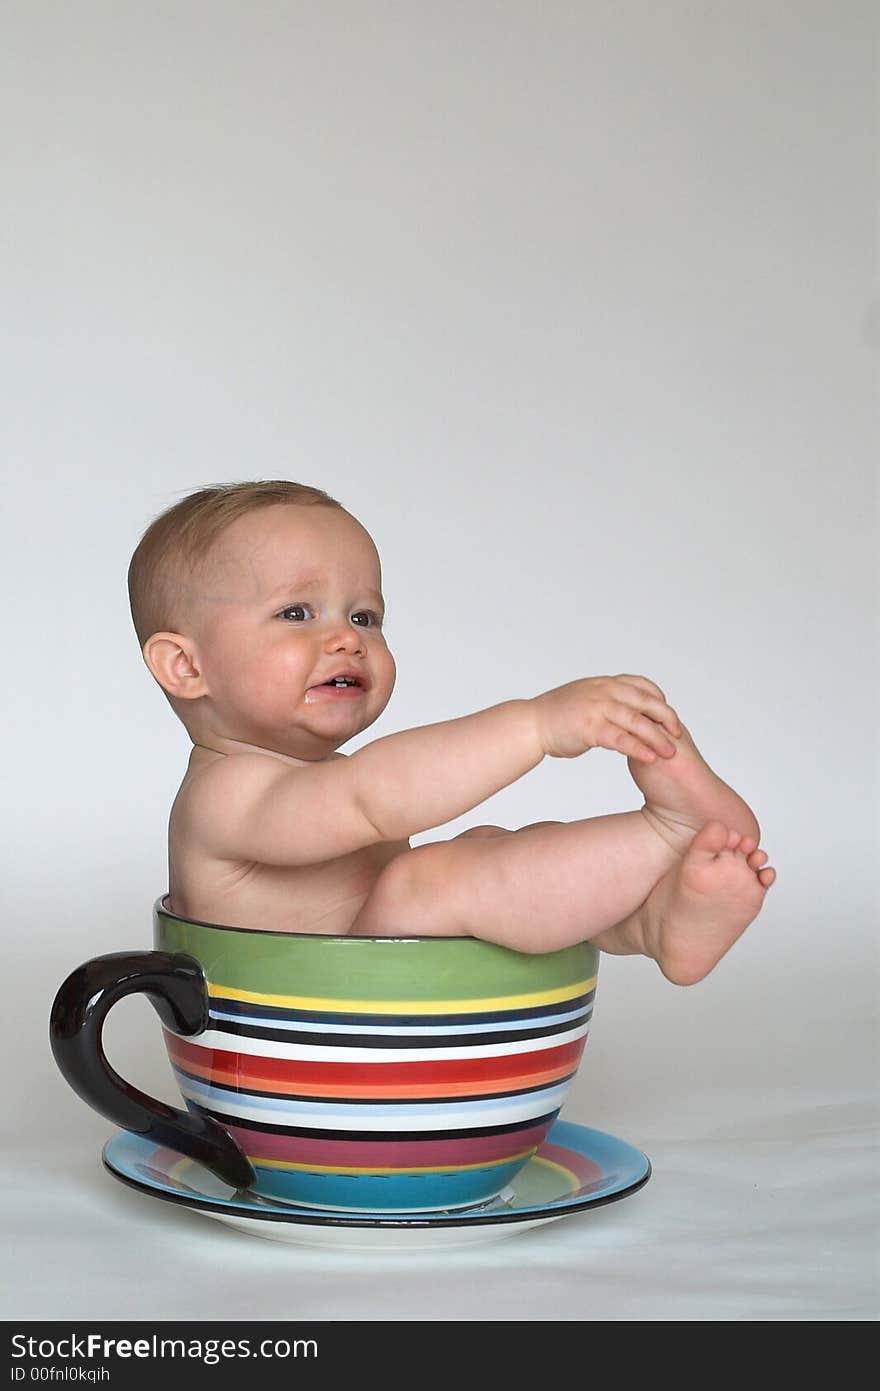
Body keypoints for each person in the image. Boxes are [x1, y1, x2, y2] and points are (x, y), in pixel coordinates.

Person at [128, 480, 776, 987]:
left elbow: (372, 792)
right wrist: (537, 724)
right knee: (428, 882)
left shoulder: (291, 774)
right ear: (186, 666)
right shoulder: (225, 794)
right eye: (297, 612)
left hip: (377, 993)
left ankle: (645, 921)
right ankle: (669, 832)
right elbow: (373, 796)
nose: (347, 637)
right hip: (338, 1030)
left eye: (365, 614)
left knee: (489, 850)